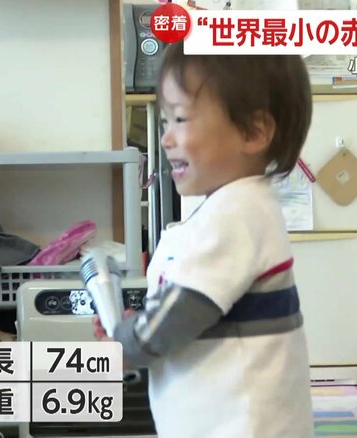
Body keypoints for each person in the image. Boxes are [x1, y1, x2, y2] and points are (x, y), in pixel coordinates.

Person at [95, 40, 315, 438]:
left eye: (180, 119)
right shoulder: (236, 207)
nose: (166, 138)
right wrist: (142, 324)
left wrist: (125, 344)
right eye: (165, 122)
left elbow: (184, 308)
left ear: (253, 131)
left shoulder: (235, 213)